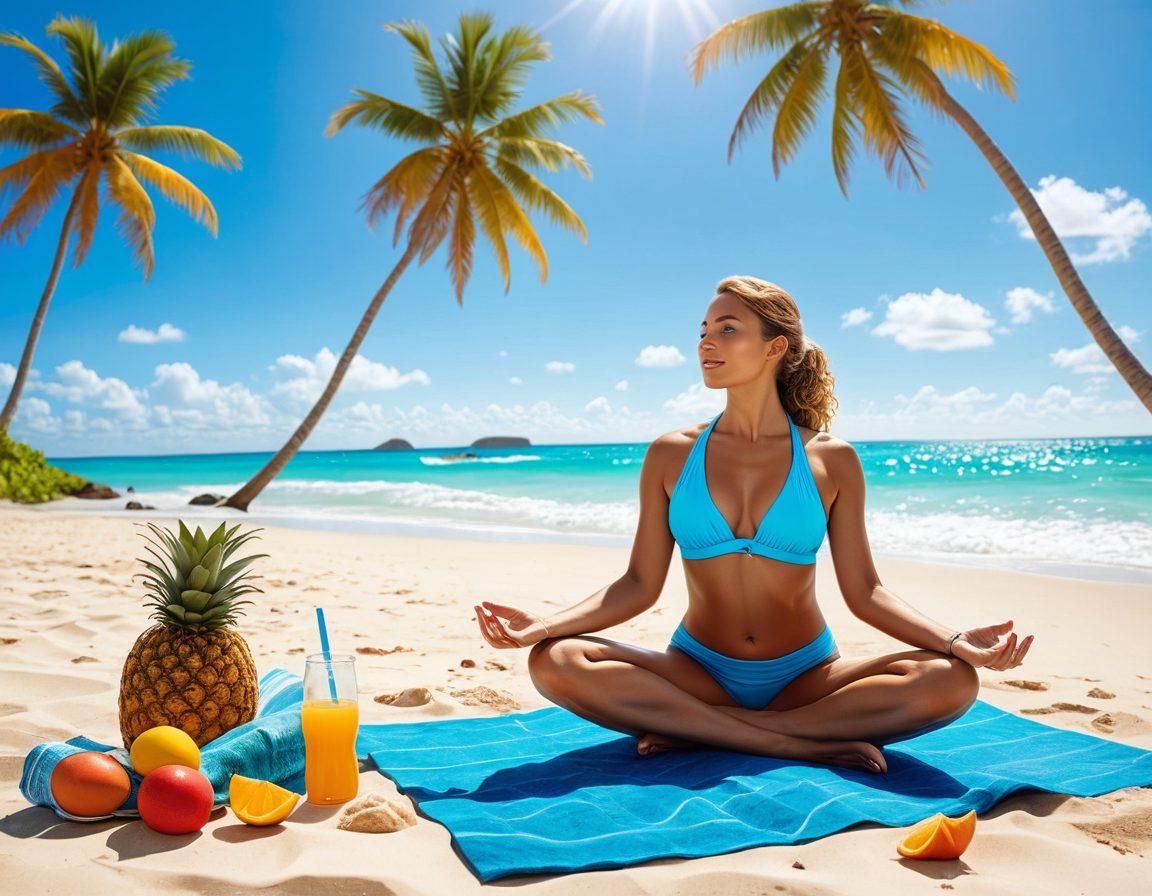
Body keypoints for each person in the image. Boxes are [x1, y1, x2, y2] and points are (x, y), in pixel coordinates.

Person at [474, 275, 1034, 774]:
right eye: (703, 330)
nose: (705, 342)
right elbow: (638, 586)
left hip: (805, 677)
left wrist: (957, 642)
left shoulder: (831, 459)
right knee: (556, 659)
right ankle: (793, 746)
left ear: (775, 347)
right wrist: (544, 626)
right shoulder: (672, 453)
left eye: (727, 329)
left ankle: (707, 731)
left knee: (954, 679)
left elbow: (866, 593)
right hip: (698, 670)